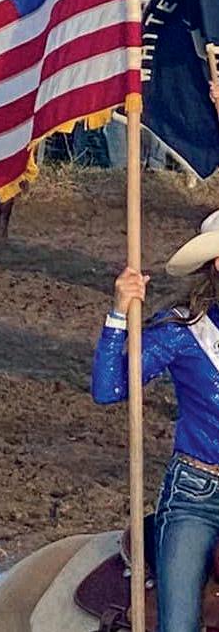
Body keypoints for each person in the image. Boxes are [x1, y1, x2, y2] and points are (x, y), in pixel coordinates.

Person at [92, 209, 219, 631]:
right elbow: (109, 387)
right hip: (197, 496)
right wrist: (118, 313)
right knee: (178, 624)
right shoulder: (183, 330)